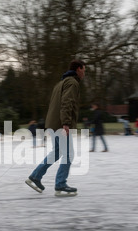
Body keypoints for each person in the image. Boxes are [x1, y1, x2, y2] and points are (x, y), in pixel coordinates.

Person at [25, 59, 86, 196]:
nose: (84, 73)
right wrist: (66, 122)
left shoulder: (60, 83)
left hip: (52, 123)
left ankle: (35, 176)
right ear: (78, 69)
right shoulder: (72, 82)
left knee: (57, 152)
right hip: (60, 124)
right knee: (69, 154)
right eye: (84, 70)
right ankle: (60, 184)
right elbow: (66, 102)